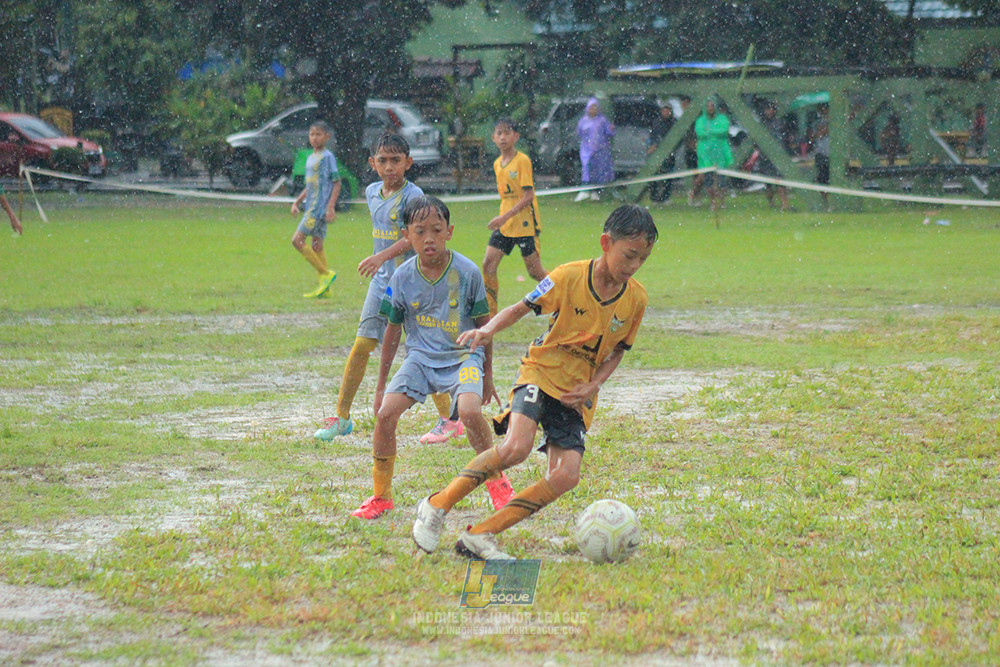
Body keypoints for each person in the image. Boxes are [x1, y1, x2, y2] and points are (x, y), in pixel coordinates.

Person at [411, 205, 658, 560]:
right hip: (540, 374)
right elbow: (520, 307)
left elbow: (619, 350)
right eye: (629, 255)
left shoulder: (636, 299)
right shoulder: (568, 276)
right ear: (606, 242)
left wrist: (594, 385)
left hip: (576, 394)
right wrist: (487, 329)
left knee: (565, 476)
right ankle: (435, 505)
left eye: (642, 260)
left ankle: (481, 535)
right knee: (516, 448)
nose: (634, 266)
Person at [351, 195, 514, 519]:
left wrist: (488, 378)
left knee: (469, 412)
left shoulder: (468, 273)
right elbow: (393, 332)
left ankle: (498, 482)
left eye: (436, 230)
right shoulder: (401, 278)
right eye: (420, 231)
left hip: (463, 357)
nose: (429, 239)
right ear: (407, 236)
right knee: (385, 415)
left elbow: (485, 329)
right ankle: (381, 497)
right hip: (420, 360)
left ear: (449, 232)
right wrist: (381, 384)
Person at [314, 134, 459, 444]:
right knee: (363, 344)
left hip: (413, 282)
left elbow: (414, 237)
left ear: (409, 162)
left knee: (424, 349)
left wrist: (381, 256)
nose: (389, 167)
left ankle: (449, 419)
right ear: (373, 164)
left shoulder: (415, 195)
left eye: (396, 160)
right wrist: (381, 263)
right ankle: (342, 417)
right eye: (383, 160)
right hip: (383, 284)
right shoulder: (371, 192)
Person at [484, 118, 547, 317]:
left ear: (515, 137)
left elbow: (528, 196)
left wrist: (505, 217)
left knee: (535, 272)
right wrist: (504, 218)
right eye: (499, 133)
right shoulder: (497, 164)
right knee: (488, 264)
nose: (502, 137)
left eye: (507, 133)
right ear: (494, 138)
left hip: (525, 223)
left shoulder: (522, 161)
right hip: (505, 225)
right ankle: (489, 311)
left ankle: (563, 295)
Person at [290, 121, 340, 298]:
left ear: (327, 136)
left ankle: (326, 274)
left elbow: (336, 182)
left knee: (297, 241)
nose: (314, 137)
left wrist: (330, 207)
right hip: (310, 207)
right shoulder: (310, 157)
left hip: (317, 210)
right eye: (311, 134)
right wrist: (297, 202)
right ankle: (325, 289)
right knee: (317, 245)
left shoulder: (327, 157)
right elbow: (311, 186)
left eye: (318, 134)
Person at [692, 97, 733, 212]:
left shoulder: (722, 118)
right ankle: (713, 202)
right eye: (708, 106)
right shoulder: (701, 120)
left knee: (721, 180)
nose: (710, 108)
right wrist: (714, 132)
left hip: (720, 154)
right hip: (706, 154)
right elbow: (700, 132)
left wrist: (710, 131)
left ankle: (722, 201)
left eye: (712, 106)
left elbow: (724, 130)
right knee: (708, 179)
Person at [575, 98, 615, 202]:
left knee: (599, 170)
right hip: (586, 150)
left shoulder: (602, 120)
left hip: (600, 150)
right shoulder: (583, 121)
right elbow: (580, 133)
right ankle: (584, 190)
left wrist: (611, 129)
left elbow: (609, 133)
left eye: (595, 107)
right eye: (591, 107)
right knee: (586, 167)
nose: (593, 110)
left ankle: (595, 192)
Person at [758, 102, 790, 211]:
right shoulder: (761, 124)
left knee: (780, 180)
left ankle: (784, 203)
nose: (770, 111)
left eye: (772, 109)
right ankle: (771, 202)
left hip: (778, 155)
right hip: (765, 156)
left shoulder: (780, 123)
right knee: (768, 183)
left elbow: (785, 139)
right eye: (768, 109)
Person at [647, 102, 677, 205]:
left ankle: (665, 197)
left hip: (669, 153)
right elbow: (653, 135)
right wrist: (653, 145)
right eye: (664, 110)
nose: (666, 112)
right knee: (654, 176)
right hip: (656, 153)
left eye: (668, 110)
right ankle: (654, 198)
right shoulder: (656, 122)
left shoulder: (674, 122)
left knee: (668, 176)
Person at [813, 103, 831, 210]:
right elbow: (816, 135)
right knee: (822, 179)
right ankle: (824, 202)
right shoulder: (817, 123)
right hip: (821, 154)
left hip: (833, 154)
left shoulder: (836, 122)